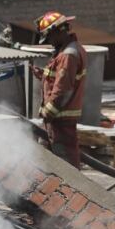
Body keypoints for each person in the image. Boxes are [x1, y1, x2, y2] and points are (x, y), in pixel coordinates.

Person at [32, 11, 87, 166]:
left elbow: (63, 89)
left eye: (49, 38)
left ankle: (75, 183)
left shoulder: (68, 55)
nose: (49, 42)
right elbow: (60, 79)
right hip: (55, 119)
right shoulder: (66, 51)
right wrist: (43, 75)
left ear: (58, 31)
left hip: (60, 119)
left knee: (66, 165)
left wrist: (47, 113)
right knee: (46, 162)